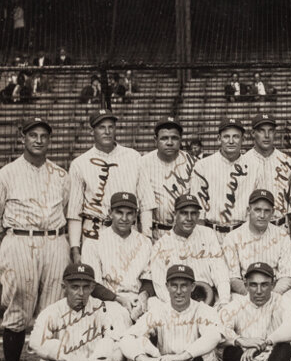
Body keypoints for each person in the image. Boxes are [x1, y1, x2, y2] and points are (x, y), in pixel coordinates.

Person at [0, 117, 70, 361]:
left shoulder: (60, 175)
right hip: (19, 240)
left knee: (53, 309)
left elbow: (69, 211)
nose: (39, 140)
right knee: (18, 307)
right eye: (33, 135)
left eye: (44, 135)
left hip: (56, 240)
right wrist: (19, 241)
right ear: (23, 138)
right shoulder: (5, 175)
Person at [67, 111, 154, 257]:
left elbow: (146, 203)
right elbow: (74, 212)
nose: (107, 132)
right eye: (101, 127)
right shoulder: (79, 163)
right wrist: (75, 248)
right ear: (91, 131)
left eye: (111, 127)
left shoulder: (133, 157)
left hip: (128, 230)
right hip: (94, 231)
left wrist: (147, 237)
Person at [147, 194, 231, 308]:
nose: (189, 218)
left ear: (198, 215)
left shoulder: (208, 234)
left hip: (208, 298)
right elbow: (161, 286)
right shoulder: (160, 245)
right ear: (175, 214)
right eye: (184, 213)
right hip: (177, 302)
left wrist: (224, 300)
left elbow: (220, 271)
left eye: (193, 213)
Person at [81, 192, 153, 321]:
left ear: (135, 215)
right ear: (110, 213)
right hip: (109, 299)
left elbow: (148, 279)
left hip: (137, 296)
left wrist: (144, 296)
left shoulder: (145, 242)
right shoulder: (93, 242)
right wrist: (119, 300)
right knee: (120, 318)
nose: (124, 218)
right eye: (119, 212)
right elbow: (92, 284)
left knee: (159, 312)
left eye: (129, 213)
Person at [192, 117, 257, 241]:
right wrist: (201, 237)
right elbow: (197, 207)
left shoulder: (254, 166)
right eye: (226, 136)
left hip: (243, 233)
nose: (231, 141)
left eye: (236, 137)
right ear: (218, 139)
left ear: (243, 139)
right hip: (212, 233)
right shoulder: (203, 165)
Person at [223, 190, 291, 298]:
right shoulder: (232, 237)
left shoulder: (282, 236)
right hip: (245, 291)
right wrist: (254, 296)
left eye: (266, 211)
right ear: (248, 210)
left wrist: (271, 296)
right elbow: (233, 279)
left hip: (275, 290)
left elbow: (287, 276)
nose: (262, 215)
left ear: (273, 212)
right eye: (257, 210)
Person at [139, 118, 198, 239]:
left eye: (174, 138)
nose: (169, 142)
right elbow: (145, 206)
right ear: (155, 140)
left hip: (187, 233)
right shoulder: (143, 163)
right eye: (164, 138)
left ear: (181, 139)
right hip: (156, 231)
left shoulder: (194, 163)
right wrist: (147, 237)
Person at [240, 114, 291, 230]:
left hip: (280, 225)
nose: (266, 136)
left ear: (275, 133)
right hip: (251, 228)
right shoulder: (242, 162)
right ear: (253, 134)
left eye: (270, 131)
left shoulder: (287, 161)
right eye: (261, 131)